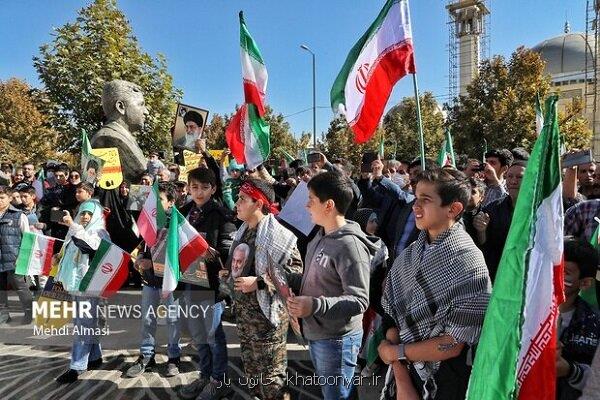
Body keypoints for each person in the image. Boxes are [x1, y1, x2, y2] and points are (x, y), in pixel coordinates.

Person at [377, 169, 491, 400]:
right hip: (406, 374)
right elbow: (391, 322)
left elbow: (454, 343)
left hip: (446, 382)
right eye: (416, 197)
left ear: (454, 209)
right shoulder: (410, 254)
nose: (415, 206)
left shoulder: (469, 262)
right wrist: (400, 373)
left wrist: (396, 354)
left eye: (425, 200)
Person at [287, 171, 378, 400]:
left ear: (328, 205)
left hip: (337, 341)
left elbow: (359, 300)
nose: (306, 205)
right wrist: (284, 278)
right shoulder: (319, 236)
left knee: (337, 395)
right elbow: (316, 281)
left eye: (311, 199)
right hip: (318, 334)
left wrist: (314, 305)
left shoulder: (349, 246)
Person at [225, 178, 303, 400]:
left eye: (242, 199)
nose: (236, 203)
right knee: (253, 376)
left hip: (267, 321)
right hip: (244, 319)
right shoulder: (242, 232)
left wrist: (258, 282)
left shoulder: (280, 236)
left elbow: (295, 273)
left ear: (258, 203)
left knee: (272, 381)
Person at [176, 168, 236, 400]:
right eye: (194, 187)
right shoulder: (182, 214)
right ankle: (205, 375)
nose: (199, 192)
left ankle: (219, 381)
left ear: (213, 188)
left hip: (210, 286)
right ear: (188, 188)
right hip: (188, 283)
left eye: (204, 187)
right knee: (199, 335)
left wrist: (207, 252)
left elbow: (227, 251)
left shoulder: (221, 214)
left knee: (213, 336)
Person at [127, 182, 182, 378]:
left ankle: (174, 357)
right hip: (150, 281)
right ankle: (146, 356)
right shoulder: (149, 220)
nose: (155, 205)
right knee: (148, 319)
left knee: (173, 320)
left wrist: (154, 264)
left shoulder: (178, 223)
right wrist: (141, 258)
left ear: (171, 202)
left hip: (170, 282)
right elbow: (144, 246)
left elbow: (179, 256)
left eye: (159, 200)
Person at [55, 199, 109, 384]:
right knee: (84, 322)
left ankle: (77, 366)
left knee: (83, 324)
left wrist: (74, 226)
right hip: (74, 284)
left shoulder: (99, 232)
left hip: (88, 285)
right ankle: (94, 356)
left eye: (90, 214)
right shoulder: (75, 230)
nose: (85, 217)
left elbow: (89, 246)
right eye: (83, 213)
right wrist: (59, 257)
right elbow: (70, 250)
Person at [557, 237, 600, 400]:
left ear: (585, 283)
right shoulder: (527, 313)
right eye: (554, 267)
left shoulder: (594, 323)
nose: (555, 275)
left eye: (565, 272)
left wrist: (570, 370)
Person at [474, 161, 526, 282]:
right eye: (510, 176)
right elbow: (485, 246)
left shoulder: (539, 211)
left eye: (520, 177)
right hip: (499, 275)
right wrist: (481, 231)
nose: (513, 181)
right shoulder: (493, 208)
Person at [91, 80, 149, 183]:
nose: (146, 112)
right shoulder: (107, 138)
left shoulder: (126, 137)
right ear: (121, 107)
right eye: (141, 105)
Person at [0, 185, 33, 325]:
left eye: (1, 198)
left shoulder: (19, 215)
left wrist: (23, 257)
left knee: (20, 286)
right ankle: (3, 314)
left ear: (9, 198)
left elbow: (27, 238)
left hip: (15, 258)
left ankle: (28, 312)